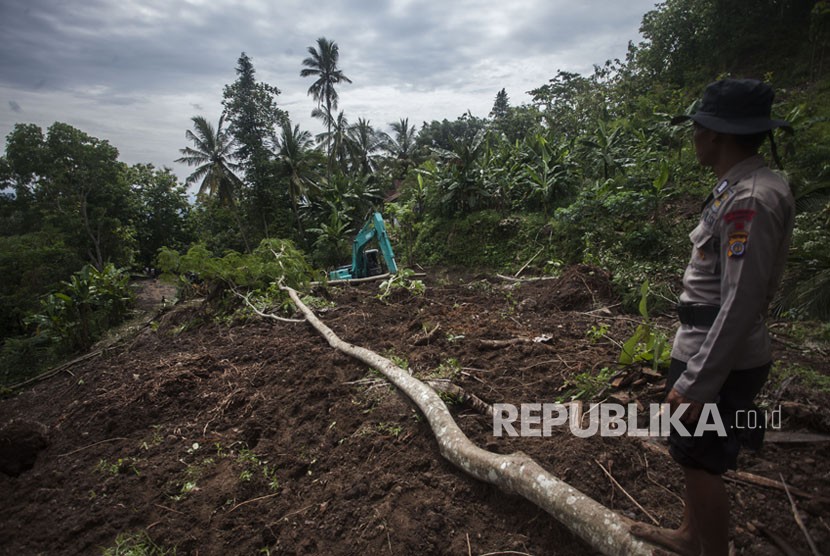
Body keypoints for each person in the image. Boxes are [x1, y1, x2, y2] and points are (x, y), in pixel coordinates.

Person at [631, 79, 795, 555]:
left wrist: (698, 384)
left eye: (697, 128)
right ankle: (689, 536)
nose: (694, 138)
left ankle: (710, 549)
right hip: (706, 346)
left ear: (716, 134)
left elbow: (740, 302)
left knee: (700, 458)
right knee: (690, 451)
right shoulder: (741, 187)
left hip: (716, 356)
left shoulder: (750, 199)